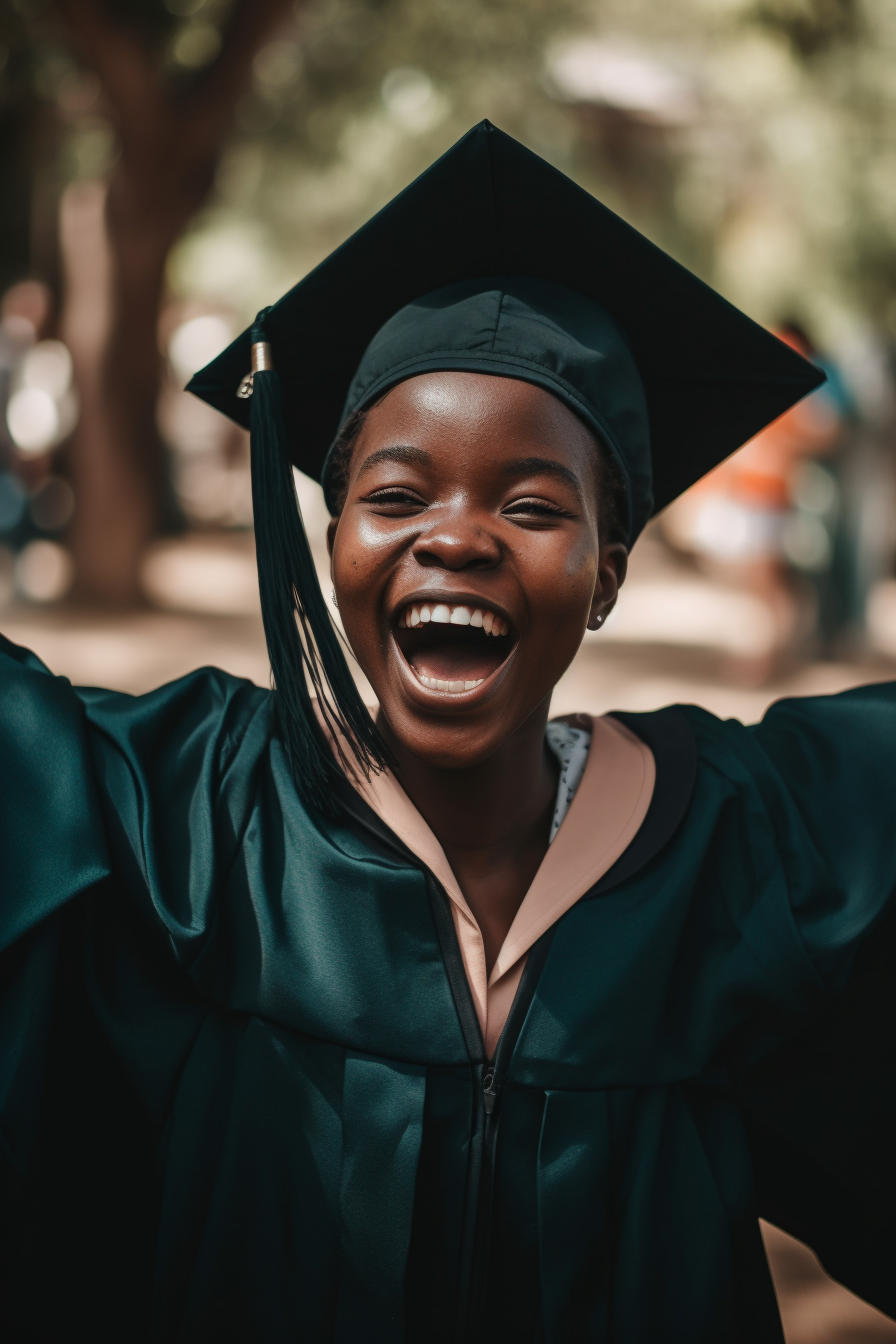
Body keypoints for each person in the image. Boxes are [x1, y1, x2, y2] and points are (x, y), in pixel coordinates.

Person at [1, 122, 893, 1344]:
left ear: (607, 574)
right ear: (332, 545)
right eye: (395, 494)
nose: (456, 536)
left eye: (530, 504)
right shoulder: (196, 816)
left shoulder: (739, 850)